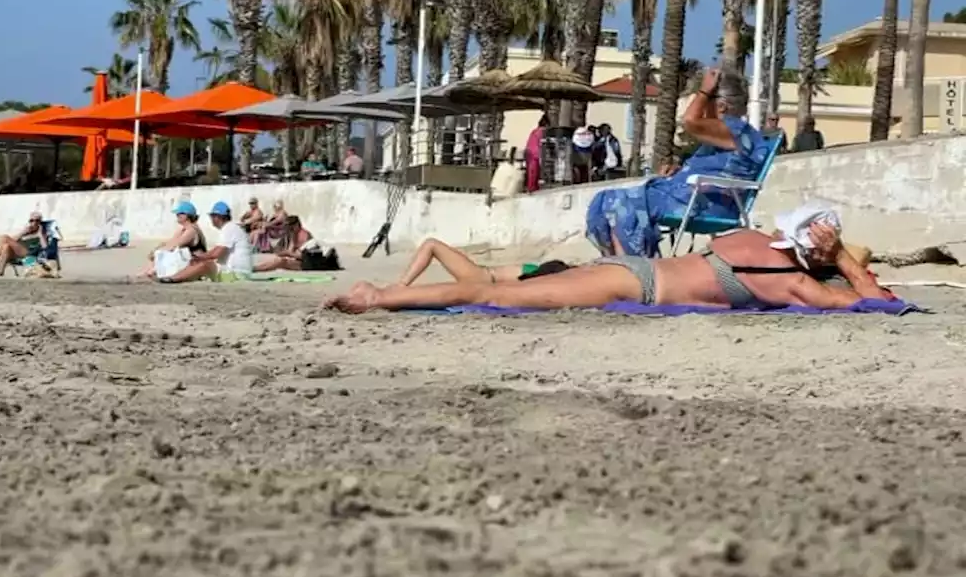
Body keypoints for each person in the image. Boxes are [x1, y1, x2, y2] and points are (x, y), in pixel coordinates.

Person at [324, 222, 893, 314]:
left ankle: (387, 293)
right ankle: (381, 296)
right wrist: (843, 257)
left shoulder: (763, 245)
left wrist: (838, 252)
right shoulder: (787, 275)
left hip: (631, 270)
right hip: (635, 282)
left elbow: (874, 299)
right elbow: (875, 302)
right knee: (500, 296)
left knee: (497, 291)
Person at [585, 68, 771, 258]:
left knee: (616, 202)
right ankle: (624, 264)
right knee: (603, 200)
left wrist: (705, 90)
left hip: (704, 204)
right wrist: (682, 171)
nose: (698, 105)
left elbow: (689, 121)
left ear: (721, 106)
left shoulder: (735, 128)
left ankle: (638, 269)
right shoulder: (728, 132)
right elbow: (720, 166)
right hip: (691, 196)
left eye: (704, 102)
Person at [390, 238, 570, 285]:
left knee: (431, 245)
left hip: (482, 276)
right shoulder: (538, 275)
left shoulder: (537, 274)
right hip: (482, 277)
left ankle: (401, 284)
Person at [159, 202, 255, 282]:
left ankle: (174, 278)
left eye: (212, 217)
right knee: (203, 263)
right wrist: (201, 257)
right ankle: (177, 277)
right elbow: (216, 251)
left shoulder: (229, 229)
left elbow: (216, 253)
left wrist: (199, 257)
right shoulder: (232, 228)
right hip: (239, 273)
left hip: (236, 275)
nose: (211, 220)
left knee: (205, 265)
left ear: (217, 217)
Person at [140, 201, 207, 278]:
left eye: (179, 214)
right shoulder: (183, 229)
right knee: (160, 249)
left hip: (196, 264)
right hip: (188, 261)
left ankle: (150, 271)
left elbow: (174, 246)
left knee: (164, 253)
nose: (176, 215)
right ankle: (148, 271)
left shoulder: (191, 231)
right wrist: (156, 249)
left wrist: (157, 252)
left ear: (186, 215)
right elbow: (170, 242)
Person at [0, 211, 56, 276]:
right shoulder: (27, 230)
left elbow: (45, 248)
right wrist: (22, 233)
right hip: (18, 253)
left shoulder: (43, 232)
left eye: (37, 221)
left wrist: (40, 234)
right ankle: (0, 271)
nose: (34, 223)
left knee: (4, 237)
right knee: (6, 246)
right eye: (31, 220)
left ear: (40, 222)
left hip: (29, 254)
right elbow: (12, 240)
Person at [524, 115, 547, 193]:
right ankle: (532, 189)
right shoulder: (542, 131)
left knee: (531, 173)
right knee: (534, 172)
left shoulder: (535, 131)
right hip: (534, 154)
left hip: (529, 152)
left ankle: (531, 188)